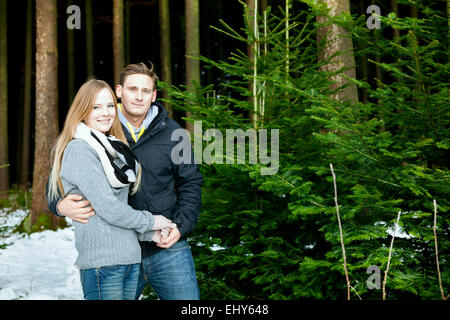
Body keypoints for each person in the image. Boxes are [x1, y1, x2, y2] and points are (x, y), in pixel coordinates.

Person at [47, 63, 203, 300]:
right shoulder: (99, 129)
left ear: (154, 96)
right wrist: (59, 205)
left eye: (145, 91)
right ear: (119, 90)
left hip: (165, 244)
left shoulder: (175, 133)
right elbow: (57, 181)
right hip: (116, 251)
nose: (138, 97)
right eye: (132, 89)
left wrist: (180, 227)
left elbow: (191, 183)